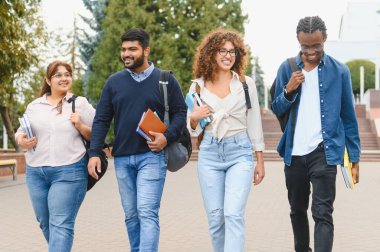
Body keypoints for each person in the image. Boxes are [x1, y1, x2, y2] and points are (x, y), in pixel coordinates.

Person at [87, 28, 187, 252]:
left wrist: (166, 137)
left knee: (147, 212)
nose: (126, 54)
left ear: (146, 50)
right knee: (131, 216)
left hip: (152, 157)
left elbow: (181, 112)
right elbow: (101, 119)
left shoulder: (165, 80)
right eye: (123, 49)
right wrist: (94, 152)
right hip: (122, 159)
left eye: (132, 49)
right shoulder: (114, 82)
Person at [272, 16, 361, 252]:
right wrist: (289, 90)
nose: (311, 52)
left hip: (325, 152)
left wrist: (354, 157)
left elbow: (349, 117)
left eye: (316, 46)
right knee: (297, 210)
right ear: (298, 42)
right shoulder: (287, 68)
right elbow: (277, 108)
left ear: (325, 40)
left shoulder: (340, 71)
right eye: (305, 46)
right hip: (294, 154)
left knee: (323, 213)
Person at [188, 28, 265, 252]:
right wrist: (194, 118)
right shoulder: (198, 86)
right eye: (222, 50)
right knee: (216, 219)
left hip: (239, 153)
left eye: (232, 51)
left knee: (233, 214)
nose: (227, 55)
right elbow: (192, 129)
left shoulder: (245, 84)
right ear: (210, 54)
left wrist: (259, 160)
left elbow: (254, 122)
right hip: (210, 154)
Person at [15, 61, 95, 251]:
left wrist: (81, 126)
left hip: (69, 171)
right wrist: (22, 140)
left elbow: (98, 134)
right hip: (36, 172)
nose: (64, 78)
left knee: (60, 224)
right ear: (48, 80)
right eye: (58, 75)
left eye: (67, 74)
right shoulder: (35, 106)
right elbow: (20, 132)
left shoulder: (79, 103)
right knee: (45, 221)